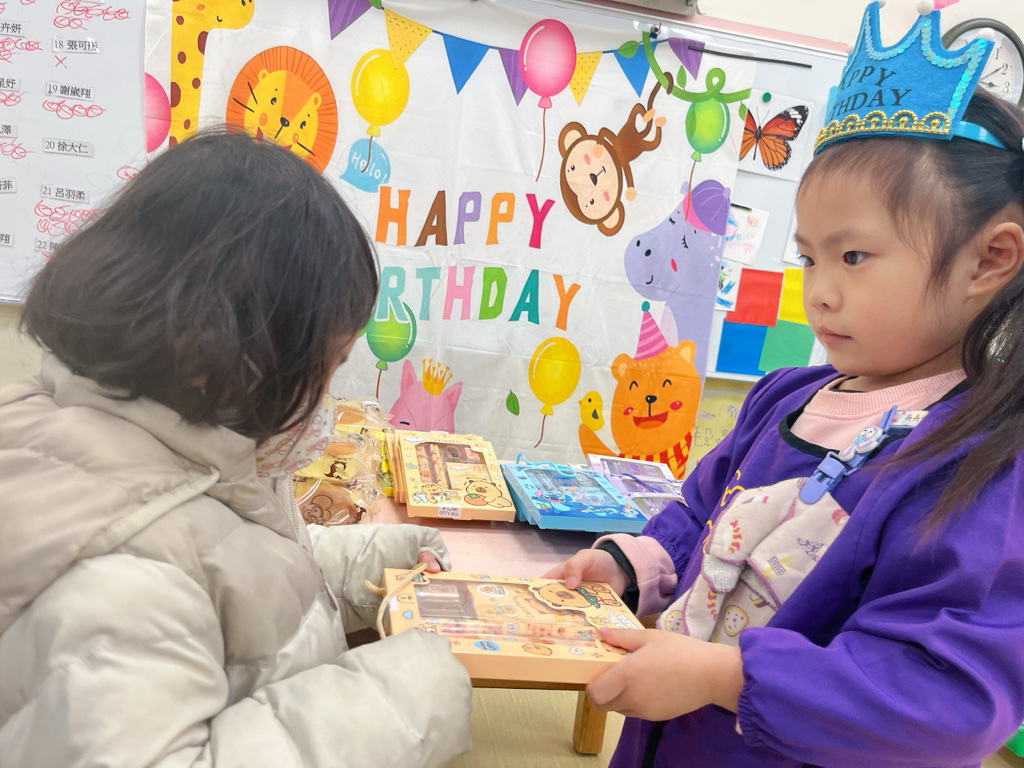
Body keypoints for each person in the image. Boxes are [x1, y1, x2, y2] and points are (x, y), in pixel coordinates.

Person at [547, 6, 1024, 766]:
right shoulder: (785, 397)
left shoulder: (979, 465)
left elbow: (944, 699)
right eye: (808, 258)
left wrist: (723, 677)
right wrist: (632, 565)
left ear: (989, 260)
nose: (819, 292)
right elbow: (699, 514)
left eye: (854, 257)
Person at [0, 130, 472, 766]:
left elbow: (229, 566)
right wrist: (406, 696)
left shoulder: (141, 441)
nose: (327, 400)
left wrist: (375, 559)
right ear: (210, 354)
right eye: (327, 365)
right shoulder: (122, 581)